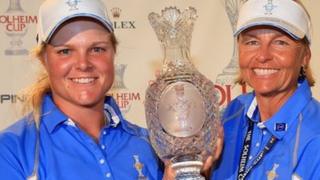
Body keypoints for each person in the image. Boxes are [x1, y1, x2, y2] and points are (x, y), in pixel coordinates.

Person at [0, 0, 163, 179]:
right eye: (65, 51)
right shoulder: (11, 150)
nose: (83, 64)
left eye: (97, 49)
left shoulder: (152, 146)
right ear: (44, 59)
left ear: (113, 53)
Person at [211, 0, 320, 179]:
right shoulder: (233, 113)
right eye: (252, 42)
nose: (263, 56)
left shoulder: (315, 138)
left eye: (280, 42)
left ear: (305, 56)